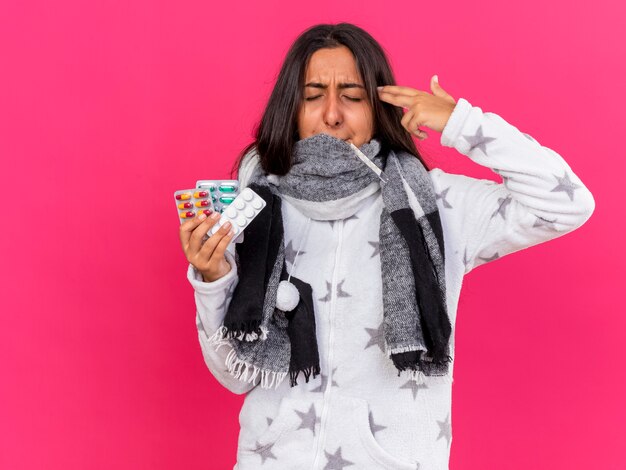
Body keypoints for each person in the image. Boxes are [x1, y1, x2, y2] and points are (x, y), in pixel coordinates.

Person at [178, 23, 595, 470]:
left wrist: (461, 123)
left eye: (353, 96)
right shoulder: (253, 206)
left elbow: (567, 204)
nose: (332, 114)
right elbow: (234, 376)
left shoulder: (433, 206)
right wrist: (213, 281)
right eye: (313, 94)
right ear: (291, 107)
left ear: (379, 108)